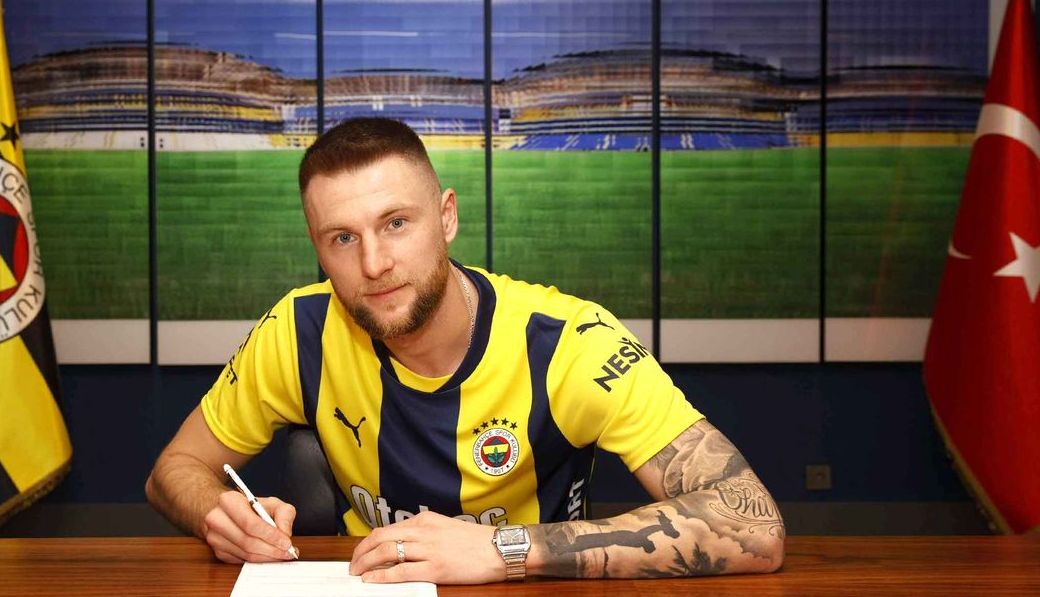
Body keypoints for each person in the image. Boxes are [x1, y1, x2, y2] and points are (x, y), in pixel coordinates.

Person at [146, 117, 784, 584]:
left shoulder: (569, 343)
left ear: (446, 217)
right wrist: (217, 513)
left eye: (397, 223)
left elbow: (755, 526)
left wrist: (505, 550)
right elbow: (174, 469)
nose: (374, 263)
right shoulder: (297, 330)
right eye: (342, 238)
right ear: (318, 248)